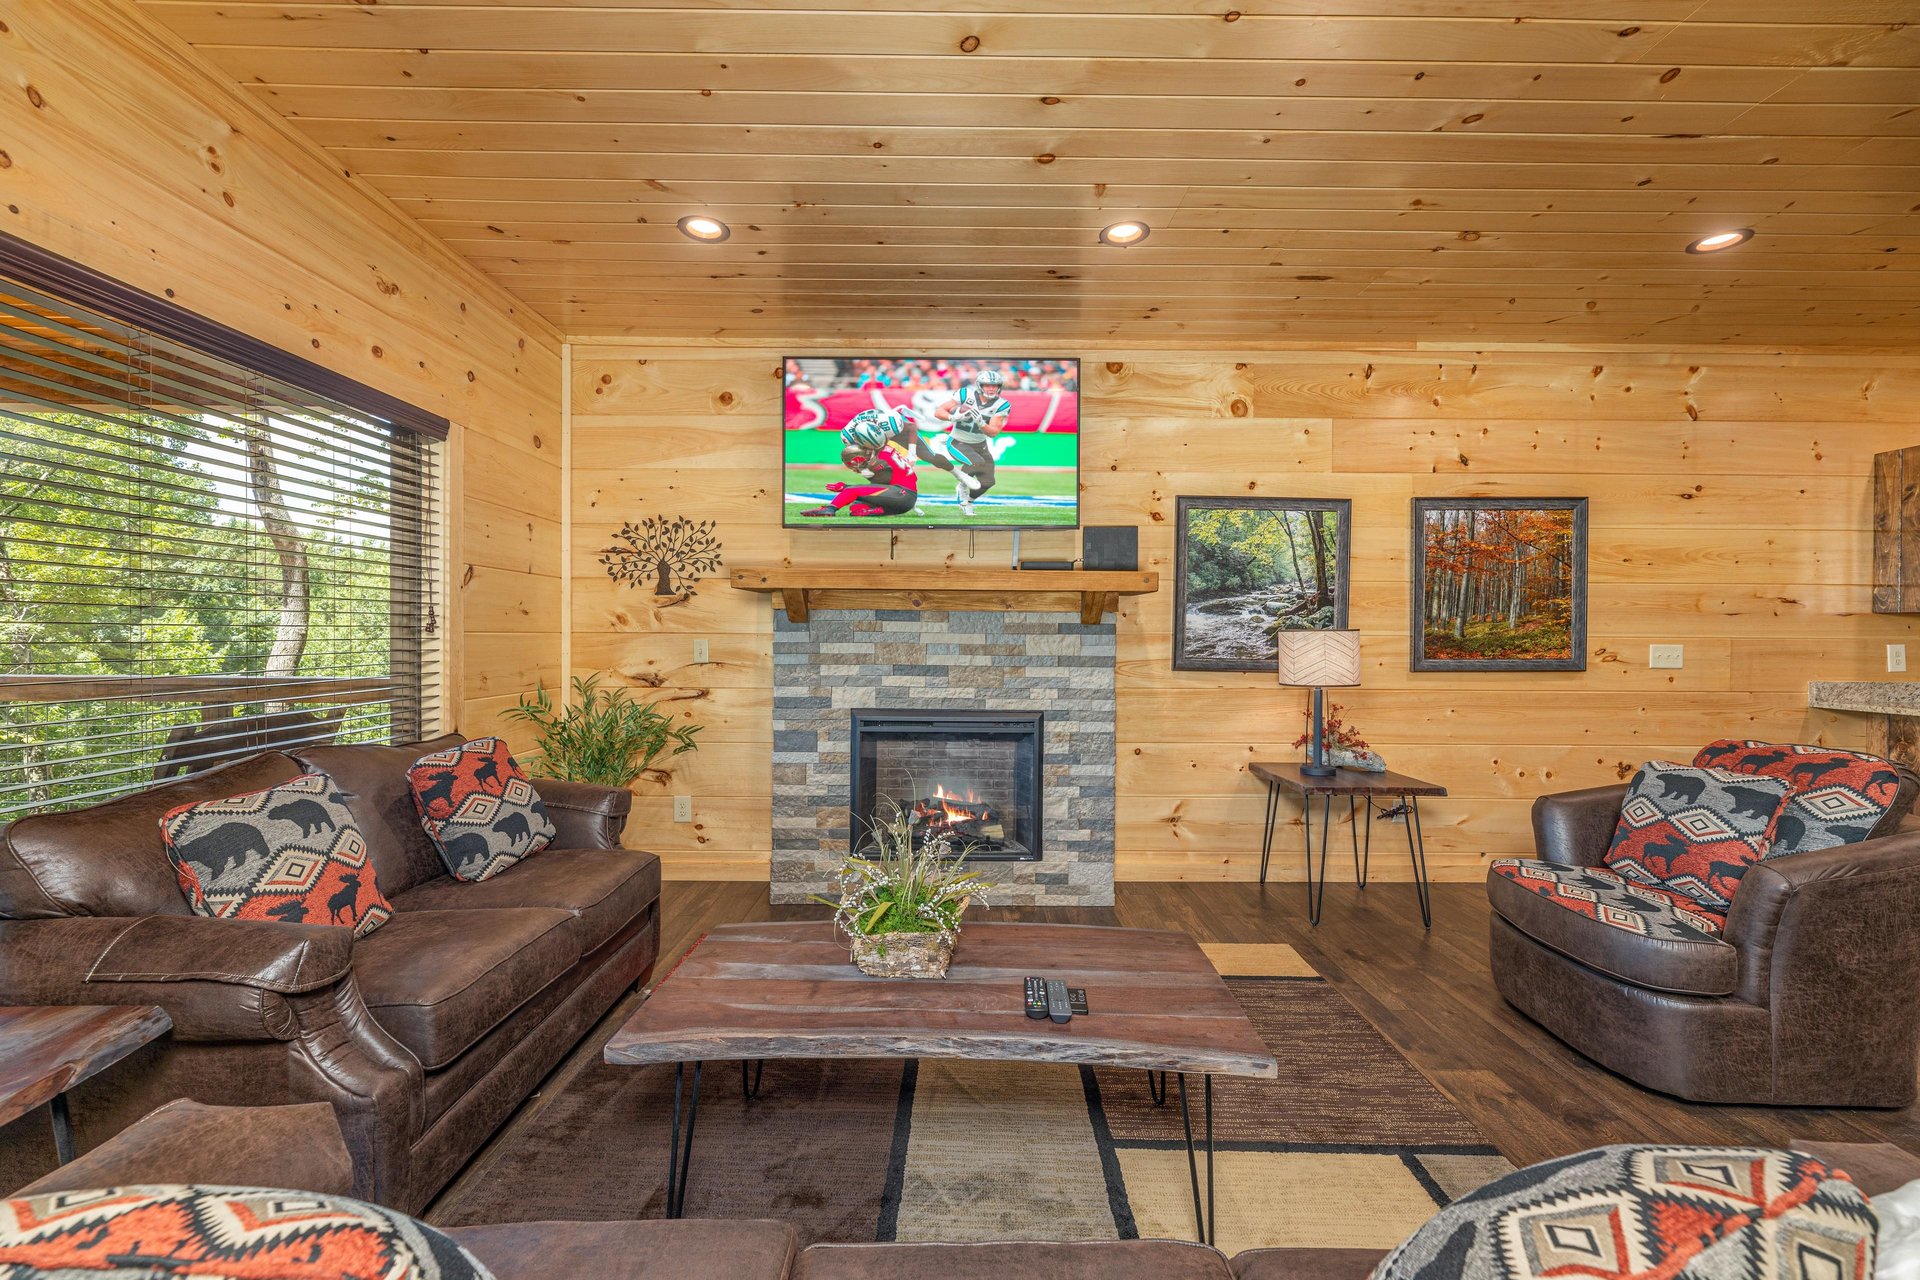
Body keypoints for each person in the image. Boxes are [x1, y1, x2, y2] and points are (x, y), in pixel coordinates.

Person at [930, 368, 1011, 515]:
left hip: (981, 445)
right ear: (980, 385)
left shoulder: (1001, 404)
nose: (992, 388)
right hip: (957, 441)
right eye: (988, 385)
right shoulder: (965, 394)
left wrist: (981, 423)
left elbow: (993, 433)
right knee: (976, 462)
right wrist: (953, 418)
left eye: (995, 385)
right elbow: (938, 411)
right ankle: (962, 486)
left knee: (988, 482)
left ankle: (968, 501)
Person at [801, 441, 919, 518]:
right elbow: (876, 487)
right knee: (856, 508)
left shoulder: (880, 461)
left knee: (851, 491)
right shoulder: (885, 453)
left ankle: (829, 509)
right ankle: (879, 510)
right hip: (902, 498)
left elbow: (865, 488)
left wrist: (846, 487)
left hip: (901, 494)